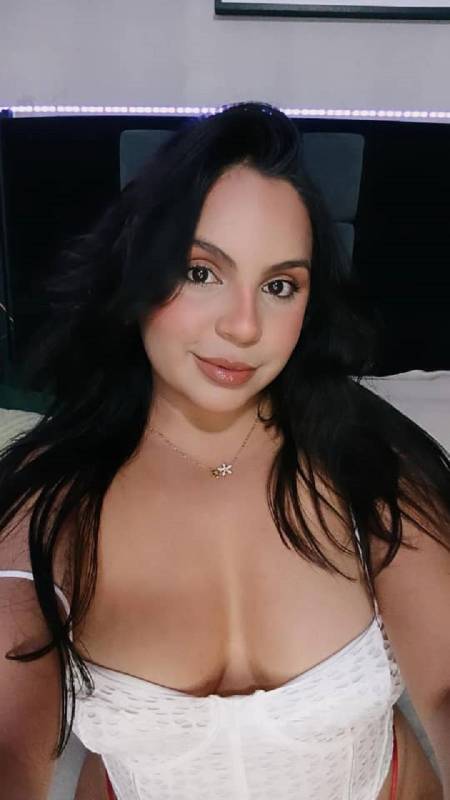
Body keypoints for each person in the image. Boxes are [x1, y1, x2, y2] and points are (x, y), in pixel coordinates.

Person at [0, 101, 448, 800]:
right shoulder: (52, 497)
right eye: (201, 271)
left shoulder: (364, 455)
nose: (244, 326)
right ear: (139, 269)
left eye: (279, 286)